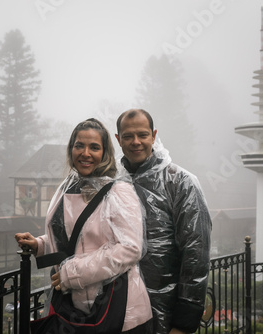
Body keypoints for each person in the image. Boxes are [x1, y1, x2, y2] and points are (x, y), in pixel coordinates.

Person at [15, 118, 153, 333]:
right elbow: (73, 238)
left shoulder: (119, 191)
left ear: (105, 153)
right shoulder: (67, 187)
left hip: (121, 312)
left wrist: (72, 274)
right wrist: (40, 244)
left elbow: (130, 248)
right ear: (71, 149)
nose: (85, 153)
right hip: (74, 307)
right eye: (79, 145)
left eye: (94, 147)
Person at [115, 109, 212, 334]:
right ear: (118, 139)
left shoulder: (181, 182)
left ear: (154, 135)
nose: (136, 142)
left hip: (167, 312)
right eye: (128, 136)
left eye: (142, 134)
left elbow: (196, 252)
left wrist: (184, 320)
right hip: (119, 311)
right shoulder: (114, 183)